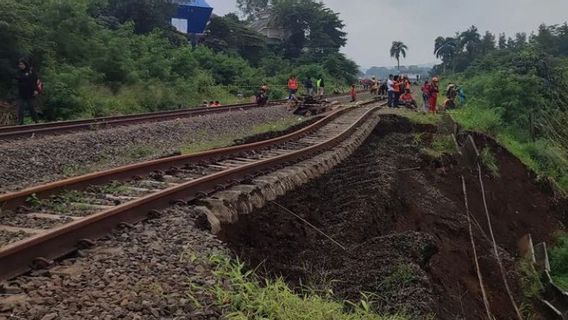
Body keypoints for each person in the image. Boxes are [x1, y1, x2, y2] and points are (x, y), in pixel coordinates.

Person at [15, 58, 39, 125]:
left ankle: (36, 121)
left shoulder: (31, 71)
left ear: (25, 64)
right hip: (21, 93)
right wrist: (24, 78)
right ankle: (20, 122)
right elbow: (17, 78)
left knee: (31, 108)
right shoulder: (19, 72)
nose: (20, 66)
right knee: (20, 108)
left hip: (30, 93)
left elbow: (36, 81)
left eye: (22, 64)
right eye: (19, 64)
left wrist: (36, 90)